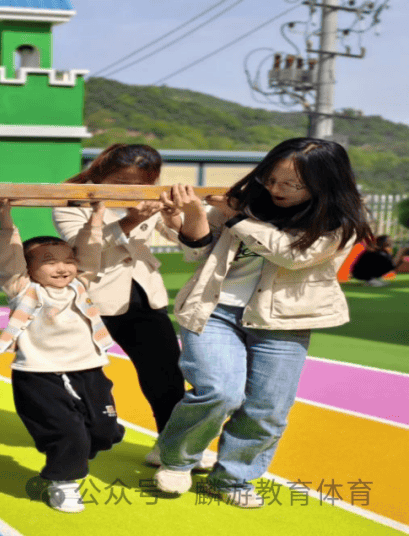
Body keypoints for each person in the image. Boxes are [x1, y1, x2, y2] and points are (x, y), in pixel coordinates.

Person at [153, 138, 373, 508]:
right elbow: (198, 250)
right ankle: (176, 459)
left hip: (284, 320)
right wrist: (190, 214)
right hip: (215, 309)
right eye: (271, 179)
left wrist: (238, 218)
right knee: (219, 391)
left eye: (291, 184)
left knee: (268, 408)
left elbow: (291, 256)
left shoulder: (340, 222)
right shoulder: (243, 200)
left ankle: (232, 478)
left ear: (324, 184)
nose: (276, 189)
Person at [52, 144, 215, 469]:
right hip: (93, 297)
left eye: (142, 181)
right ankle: (77, 435)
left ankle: (171, 446)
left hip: (144, 294)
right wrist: (128, 222)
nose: (132, 187)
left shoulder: (150, 197)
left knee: (165, 374)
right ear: (103, 173)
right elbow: (79, 248)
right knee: (83, 375)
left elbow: (186, 241)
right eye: (122, 180)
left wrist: (176, 216)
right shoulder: (73, 199)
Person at [0, 199, 125, 513]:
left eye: (68, 260)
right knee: (67, 432)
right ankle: (63, 482)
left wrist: (96, 216)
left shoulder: (80, 285)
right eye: (50, 262)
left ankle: (77, 450)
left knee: (105, 432)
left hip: (88, 369)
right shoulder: (22, 288)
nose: (62, 268)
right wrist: (5, 214)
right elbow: (10, 255)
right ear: (29, 269)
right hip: (40, 374)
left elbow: (90, 252)